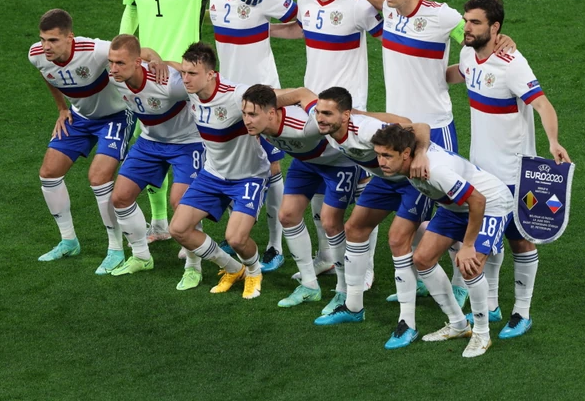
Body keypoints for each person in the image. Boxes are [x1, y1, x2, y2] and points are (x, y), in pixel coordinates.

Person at [342, 0, 513, 308]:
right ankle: (423, 278)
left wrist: (501, 39)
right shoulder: (390, 9)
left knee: (451, 208)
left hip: (434, 130)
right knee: (414, 216)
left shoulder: (441, 16)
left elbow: (472, 34)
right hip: (398, 132)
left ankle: (462, 284)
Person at [119, 0, 264, 244]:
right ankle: (159, 222)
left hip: (185, 73)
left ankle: (206, 225)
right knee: (151, 135)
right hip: (148, 68)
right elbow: (132, 8)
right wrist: (126, 46)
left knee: (197, 143)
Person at [447, 0, 571, 338]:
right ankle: (491, 305)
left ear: (495, 27)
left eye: (475, 22)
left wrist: (553, 142)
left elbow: (543, 105)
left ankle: (522, 313)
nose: (467, 28)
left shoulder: (512, 63)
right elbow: (458, 74)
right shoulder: (467, 54)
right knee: (489, 240)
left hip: (513, 175)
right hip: (480, 171)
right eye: (466, 21)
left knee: (520, 242)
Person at [277, 86, 434, 351]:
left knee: (398, 240)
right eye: (318, 112)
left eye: (327, 113)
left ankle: (407, 323)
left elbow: (416, 126)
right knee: (354, 228)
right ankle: (353, 307)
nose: (320, 118)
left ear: (345, 115)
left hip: (413, 180)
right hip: (384, 180)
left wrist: (420, 155)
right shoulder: (327, 122)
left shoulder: (365, 129)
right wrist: (264, 104)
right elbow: (302, 94)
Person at [270, 0, 384, 288]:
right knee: (318, 184)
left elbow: (389, 33)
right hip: (311, 110)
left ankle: (365, 269)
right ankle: (326, 257)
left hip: (346, 117)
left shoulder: (356, 5)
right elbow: (302, 28)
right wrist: (263, 30)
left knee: (362, 197)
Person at [371, 124, 514, 358]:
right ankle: (458, 324)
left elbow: (477, 200)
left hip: (491, 204)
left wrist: (468, 246)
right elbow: (419, 126)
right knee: (422, 259)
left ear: (405, 154)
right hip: (454, 207)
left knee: (470, 266)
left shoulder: (435, 170)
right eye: (378, 155)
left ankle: (482, 333)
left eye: (387, 156)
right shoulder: (410, 159)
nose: (381, 162)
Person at [28, 9, 154, 274]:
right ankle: (68, 241)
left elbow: (137, 54)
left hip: (116, 116)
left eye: (53, 40)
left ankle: (116, 249)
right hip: (80, 117)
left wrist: (157, 60)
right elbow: (46, 74)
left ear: (70, 38)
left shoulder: (94, 50)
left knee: (98, 178)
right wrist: (62, 108)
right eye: (42, 39)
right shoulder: (36, 55)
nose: (46, 46)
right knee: (49, 173)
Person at [209, 0, 299, 272]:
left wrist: (267, 29)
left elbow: (301, 21)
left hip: (263, 95)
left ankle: (276, 245)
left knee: (271, 167)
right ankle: (239, 231)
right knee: (234, 163)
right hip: (227, 94)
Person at [241, 84, 360, 311]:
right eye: (245, 114)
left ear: (271, 113)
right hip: (305, 163)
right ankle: (309, 285)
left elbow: (303, 94)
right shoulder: (257, 123)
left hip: (338, 164)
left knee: (331, 224)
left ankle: (344, 290)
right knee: (287, 216)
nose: (247, 120)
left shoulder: (306, 126)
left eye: (253, 114)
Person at [168, 43, 270, 299]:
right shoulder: (192, 90)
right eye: (184, 72)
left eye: (192, 73)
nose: (185, 79)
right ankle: (233, 268)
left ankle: (254, 271)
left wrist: (305, 97)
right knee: (178, 229)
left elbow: (276, 97)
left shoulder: (236, 95)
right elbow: (169, 66)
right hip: (213, 175)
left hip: (249, 176)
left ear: (211, 74)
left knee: (236, 238)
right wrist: (154, 58)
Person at [105, 35, 206, 287]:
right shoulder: (114, 77)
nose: (113, 69)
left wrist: (170, 64)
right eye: (111, 62)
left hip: (187, 143)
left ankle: (193, 267)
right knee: (120, 197)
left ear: (137, 62)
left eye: (120, 63)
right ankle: (141, 256)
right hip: (149, 142)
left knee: (182, 203)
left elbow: (205, 82)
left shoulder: (168, 83)